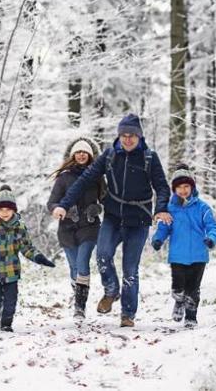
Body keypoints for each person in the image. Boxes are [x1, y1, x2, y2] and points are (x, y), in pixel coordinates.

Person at [51, 114, 171, 328]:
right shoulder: (109, 156)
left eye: (132, 135)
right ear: (118, 135)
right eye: (124, 135)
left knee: (130, 268)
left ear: (139, 136)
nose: (127, 139)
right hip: (113, 217)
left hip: (139, 219)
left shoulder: (149, 157)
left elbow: (161, 186)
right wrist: (64, 204)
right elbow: (84, 180)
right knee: (103, 255)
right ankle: (111, 290)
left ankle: (127, 314)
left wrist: (161, 208)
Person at [0, 185, 56, 332]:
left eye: (8, 210)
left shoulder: (19, 227)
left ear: (14, 210)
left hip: (11, 272)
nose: (4, 213)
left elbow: (26, 247)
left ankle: (6, 324)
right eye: (1, 210)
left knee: (11, 301)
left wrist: (39, 257)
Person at [151, 164, 216, 328]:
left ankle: (191, 317)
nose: (183, 190)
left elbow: (212, 226)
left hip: (198, 256)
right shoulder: (169, 209)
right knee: (178, 287)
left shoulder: (202, 208)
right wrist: (158, 239)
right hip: (177, 256)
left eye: (186, 186)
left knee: (193, 290)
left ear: (192, 187)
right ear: (174, 189)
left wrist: (211, 238)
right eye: (179, 187)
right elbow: (163, 227)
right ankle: (178, 302)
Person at [46, 138, 104, 320]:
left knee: (82, 263)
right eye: (78, 152)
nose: (81, 155)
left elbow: (106, 199)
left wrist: (97, 208)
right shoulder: (63, 177)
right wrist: (59, 209)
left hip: (89, 226)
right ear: (73, 156)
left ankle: (80, 306)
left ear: (89, 156)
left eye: (85, 153)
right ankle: (79, 291)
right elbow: (52, 202)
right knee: (73, 267)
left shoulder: (97, 176)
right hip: (67, 228)